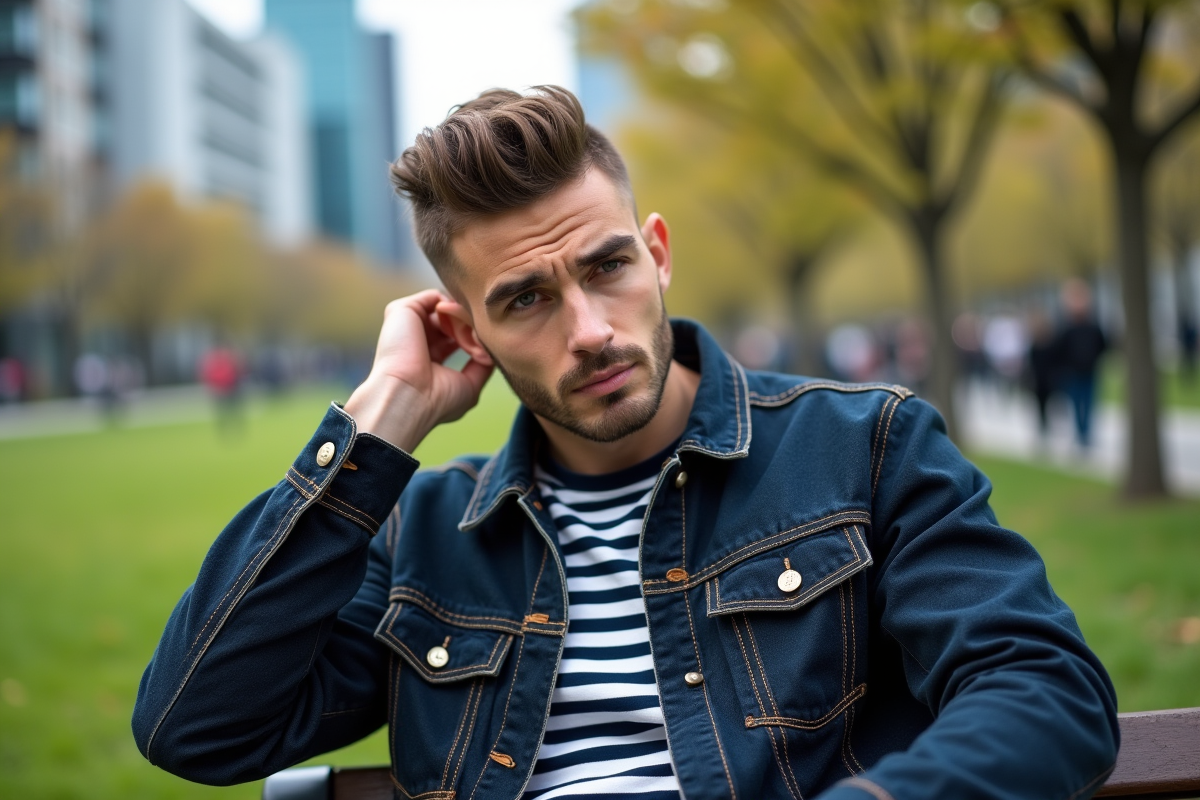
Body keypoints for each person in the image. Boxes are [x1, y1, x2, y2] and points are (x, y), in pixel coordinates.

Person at [132, 87, 1118, 800]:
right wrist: (377, 424)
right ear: (466, 333)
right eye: (525, 300)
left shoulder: (864, 446)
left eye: (606, 266)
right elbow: (197, 725)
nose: (589, 326)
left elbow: (1045, 689)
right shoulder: (426, 536)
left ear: (657, 252)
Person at [1055, 279, 1108, 449]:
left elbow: (1103, 345)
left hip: (1090, 370)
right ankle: (1081, 433)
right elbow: (1060, 350)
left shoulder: (1093, 327)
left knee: (1090, 402)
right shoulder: (1067, 328)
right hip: (1073, 372)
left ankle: (1086, 433)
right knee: (1077, 403)